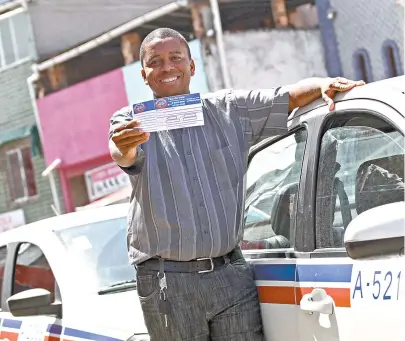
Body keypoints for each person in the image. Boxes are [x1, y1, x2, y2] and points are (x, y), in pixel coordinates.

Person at [108, 28, 365, 341]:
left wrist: (324, 84)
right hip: (167, 282)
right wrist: (123, 148)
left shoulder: (230, 110)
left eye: (176, 58)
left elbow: (290, 96)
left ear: (191, 66)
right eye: (156, 62)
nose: (167, 67)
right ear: (144, 76)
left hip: (230, 274)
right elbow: (121, 152)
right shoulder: (132, 121)